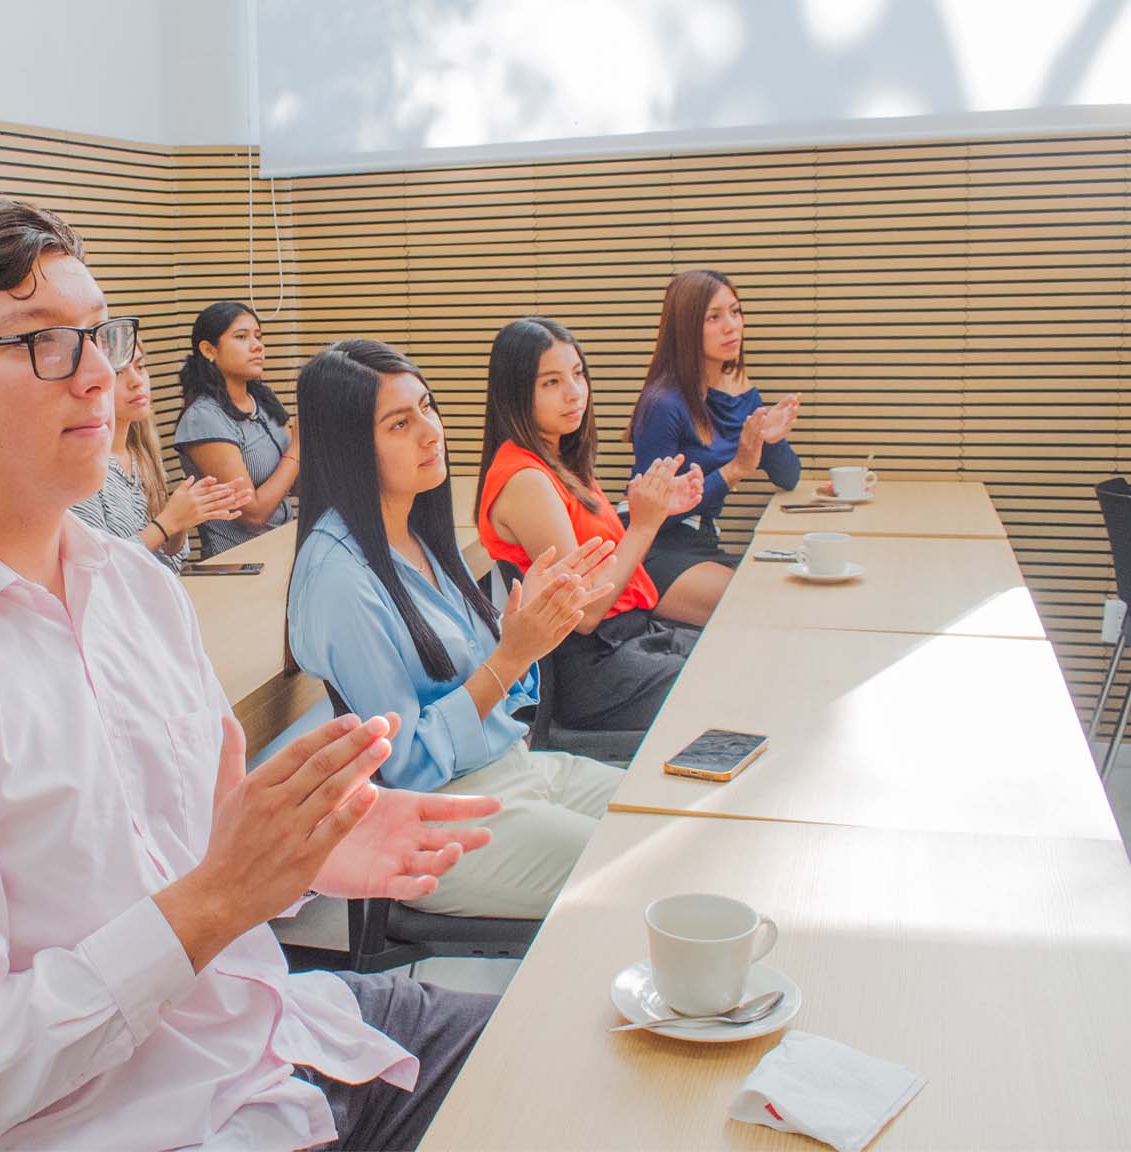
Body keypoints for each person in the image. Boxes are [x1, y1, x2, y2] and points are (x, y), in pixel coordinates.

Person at [0, 196, 506, 1151]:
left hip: (283, 1034)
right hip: (145, 1123)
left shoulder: (136, 587)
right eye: (43, 345)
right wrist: (221, 896)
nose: (100, 375)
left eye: (100, 336)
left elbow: (182, 856)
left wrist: (291, 857)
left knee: (592, 1049)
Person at [286, 338, 625, 921]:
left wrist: (526, 633)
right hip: (436, 815)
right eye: (399, 423)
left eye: (427, 407)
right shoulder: (338, 578)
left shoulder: (416, 535)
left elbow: (490, 689)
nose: (429, 431)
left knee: (668, 819)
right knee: (640, 875)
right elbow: (406, 765)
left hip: (513, 768)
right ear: (347, 449)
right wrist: (513, 655)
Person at [476, 317, 705, 731]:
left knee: (741, 656)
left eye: (578, 374)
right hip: (596, 667)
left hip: (631, 639)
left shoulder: (560, 460)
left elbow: (601, 554)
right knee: (724, 685)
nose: (574, 393)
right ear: (515, 392)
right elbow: (584, 613)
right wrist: (643, 525)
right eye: (551, 383)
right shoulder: (525, 479)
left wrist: (650, 510)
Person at [627, 270, 802, 623]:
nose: (732, 326)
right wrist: (735, 469)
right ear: (687, 328)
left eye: (736, 312)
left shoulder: (737, 390)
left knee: (788, 597)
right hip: (655, 550)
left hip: (702, 542)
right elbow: (651, 513)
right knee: (760, 610)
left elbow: (789, 478)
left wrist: (774, 439)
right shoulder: (663, 403)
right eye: (714, 317)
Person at [70, 338, 252, 571]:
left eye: (140, 367)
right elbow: (100, 570)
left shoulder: (141, 452)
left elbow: (170, 556)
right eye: (117, 373)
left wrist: (185, 517)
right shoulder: (81, 468)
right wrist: (169, 521)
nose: (137, 382)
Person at [173, 301, 298, 557]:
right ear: (209, 350)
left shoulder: (261, 400)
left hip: (284, 549)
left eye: (259, 336)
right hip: (240, 565)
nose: (257, 346)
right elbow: (252, 514)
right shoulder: (203, 419)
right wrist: (298, 448)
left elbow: (290, 482)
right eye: (241, 337)